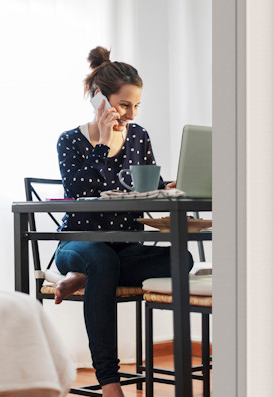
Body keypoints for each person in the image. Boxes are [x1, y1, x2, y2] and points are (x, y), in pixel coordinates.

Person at [53, 46, 194, 397]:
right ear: (99, 98)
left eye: (136, 106)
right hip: (79, 244)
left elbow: (143, 186)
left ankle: (85, 278)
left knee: (182, 258)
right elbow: (78, 189)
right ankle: (110, 381)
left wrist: (168, 188)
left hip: (125, 246)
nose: (130, 114)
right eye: (124, 104)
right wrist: (101, 143)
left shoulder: (139, 136)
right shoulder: (70, 141)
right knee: (99, 258)